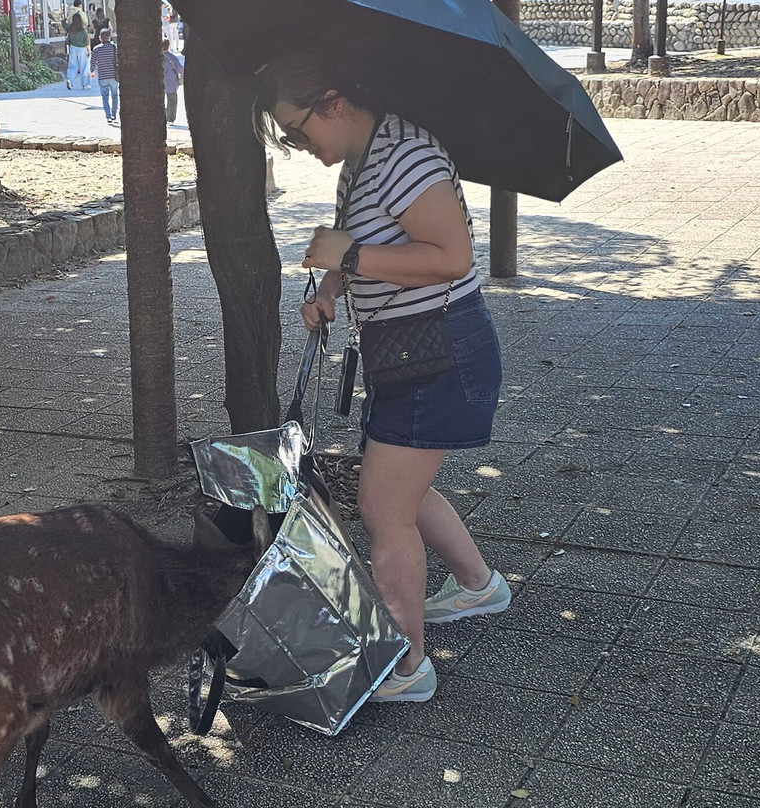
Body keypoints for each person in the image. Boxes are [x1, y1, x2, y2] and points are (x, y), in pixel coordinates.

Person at [253, 55, 510, 704]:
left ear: (334, 103)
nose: (298, 147)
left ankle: (407, 666)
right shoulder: (362, 161)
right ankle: (478, 584)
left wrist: (354, 256)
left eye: (297, 130)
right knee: (404, 490)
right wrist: (333, 287)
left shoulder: (407, 156)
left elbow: (451, 258)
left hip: (442, 355)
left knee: (382, 507)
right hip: (406, 354)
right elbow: (357, 242)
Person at [91, 27, 118, 124]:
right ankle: (114, 114)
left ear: (100, 38)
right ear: (110, 37)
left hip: (103, 76)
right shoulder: (114, 47)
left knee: (105, 97)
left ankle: (108, 115)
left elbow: (93, 62)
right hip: (114, 76)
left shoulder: (96, 49)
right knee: (115, 95)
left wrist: (92, 71)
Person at [65, 0, 91, 91]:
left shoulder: (70, 27)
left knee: (72, 66)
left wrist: (65, 18)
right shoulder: (83, 31)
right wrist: (89, 51)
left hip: (73, 47)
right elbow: (86, 42)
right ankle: (85, 84)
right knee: (84, 67)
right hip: (82, 49)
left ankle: (70, 79)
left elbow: (64, 24)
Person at [162, 39, 184, 125]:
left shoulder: (157, 57)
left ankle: (163, 116)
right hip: (171, 81)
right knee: (172, 100)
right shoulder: (172, 57)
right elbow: (180, 68)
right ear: (168, 46)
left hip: (161, 81)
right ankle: (170, 118)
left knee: (161, 100)